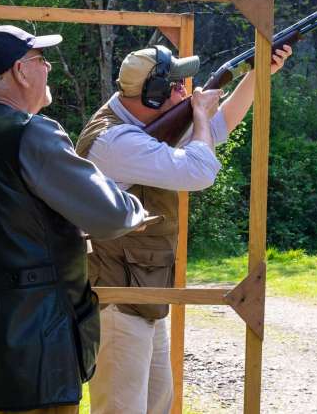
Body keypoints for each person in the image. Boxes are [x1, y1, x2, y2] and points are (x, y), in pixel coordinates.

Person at [0, 25, 148, 413]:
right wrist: (136, 210)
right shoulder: (32, 134)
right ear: (19, 71)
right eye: (40, 60)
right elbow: (112, 216)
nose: (48, 68)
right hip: (39, 352)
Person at [75, 43, 292, 414]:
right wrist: (200, 116)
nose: (185, 90)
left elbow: (218, 128)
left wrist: (258, 75)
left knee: (158, 403)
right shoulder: (117, 141)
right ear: (153, 94)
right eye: (176, 85)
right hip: (115, 299)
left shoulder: (137, 124)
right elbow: (200, 170)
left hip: (141, 292)